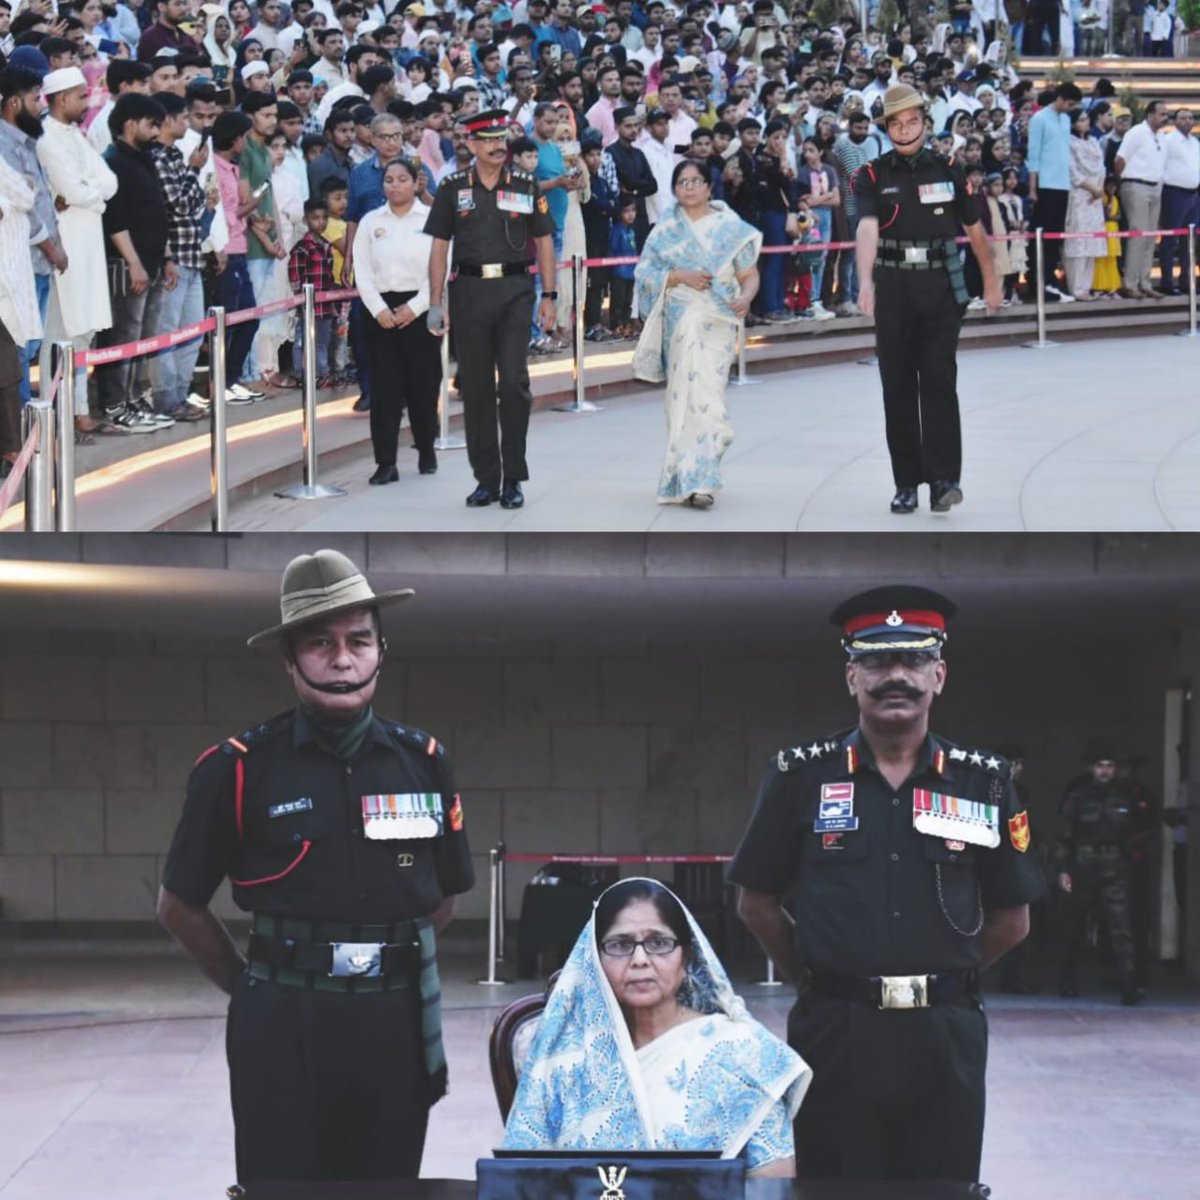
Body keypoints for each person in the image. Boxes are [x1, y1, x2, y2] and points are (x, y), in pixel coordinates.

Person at [158, 547, 475, 1184]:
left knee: (386, 1185)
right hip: (283, 1021)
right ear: (290, 659)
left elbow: (442, 897)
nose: (342, 658)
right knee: (282, 1186)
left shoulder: (424, 761)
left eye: (360, 639)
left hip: (392, 1018)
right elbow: (180, 905)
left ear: (382, 650)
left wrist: (374, 954)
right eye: (319, 642)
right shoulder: (239, 767)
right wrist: (255, 987)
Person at [729, 585, 1045, 1182]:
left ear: (939, 675)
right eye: (876, 661)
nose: (895, 676)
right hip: (835, 1029)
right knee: (834, 1186)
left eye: (914, 660)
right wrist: (822, 974)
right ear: (852, 677)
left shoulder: (987, 783)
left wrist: (945, 973)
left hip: (943, 1032)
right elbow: (758, 905)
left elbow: (1012, 919)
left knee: (941, 1187)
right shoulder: (801, 776)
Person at [503, 877, 811, 1175]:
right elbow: (520, 1178)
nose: (640, 959)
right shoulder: (564, 1058)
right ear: (595, 960)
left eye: (659, 943)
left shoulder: (744, 1052)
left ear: (687, 957)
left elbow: (771, 1186)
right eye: (620, 945)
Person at [854, 85, 1001, 517]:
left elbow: (975, 230)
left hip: (940, 287)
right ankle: (905, 483)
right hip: (893, 286)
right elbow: (866, 227)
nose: (904, 129)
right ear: (887, 128)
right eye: (895, 123)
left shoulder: (950, 168)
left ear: (924, 121)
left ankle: (944, 481)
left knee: (938, 381)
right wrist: (865, 280)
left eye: (912, 121)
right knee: (897, 385)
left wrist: (991, 281)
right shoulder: (872, 174)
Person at [424, 108, 558, 511]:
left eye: (502, 139)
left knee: (514, 384)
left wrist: (549, 296)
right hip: (467, 293)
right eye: (489, 140)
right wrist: (435, 303)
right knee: (477, 388)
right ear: (470, 144)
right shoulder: (452, 187)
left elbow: (545, 242)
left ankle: (514, 476)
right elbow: (439, 246)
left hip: (516, 290)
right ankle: (486, 478)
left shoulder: (526, 184)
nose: (499, 146)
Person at [632, 159, 760, 509]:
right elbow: (644, 274)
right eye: (682, 182)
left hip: (717, 321)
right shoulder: (664, 230)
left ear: (708, 186)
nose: (688, 187)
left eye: (695, 181)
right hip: (680, 321)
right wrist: (679, 276)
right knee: (682, 398)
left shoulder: (730, 226)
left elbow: (748, 273)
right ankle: (688, 479)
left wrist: (746, 298)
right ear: (674, 189)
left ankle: (703, 475)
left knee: (709, 400)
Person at [36, 65, 120, 441]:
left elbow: (109, 181)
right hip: (64, 246)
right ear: (62, 98)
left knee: (84, 333)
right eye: (82, 96)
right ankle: (56, 416)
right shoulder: (44, 137)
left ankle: (81, 412)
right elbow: (72, 190)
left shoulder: (76, 136)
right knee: (60, 335)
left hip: (88, 243)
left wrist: (90, 196)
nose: (87, 102)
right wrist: (92, 196)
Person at [352, 156, 441, 485]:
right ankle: (386, 462)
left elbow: (440, 270)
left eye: (402, 179)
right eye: (389, 180)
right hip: (381, 313)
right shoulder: (370, 221)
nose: (394, 186)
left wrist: (415, 307)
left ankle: (426, 448)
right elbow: (361, 269)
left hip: (421, 308)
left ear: (416, 182)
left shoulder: (433, 219)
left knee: (423, 385)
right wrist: (378, 309)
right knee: (385, 390)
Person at [1055, 741, 1149, 1005]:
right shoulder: (1078, 796)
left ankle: (1128, 986)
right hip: (1082, 867)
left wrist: (1131, 860)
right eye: (1100, 766)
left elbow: (1140, 830)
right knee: (1073, 928)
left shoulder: (1127, 796)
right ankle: (1067, 981)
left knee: (1121, 929)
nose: (1105, 771)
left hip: (1114, 868)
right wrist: (1063, 870)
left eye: (1109, 766)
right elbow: (1064, 836)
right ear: (1091, 768)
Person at [1027, 83, 1079, 303]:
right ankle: (1037, 282)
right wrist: (1032, 187)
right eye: (1068, 103)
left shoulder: (1066, 120)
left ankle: (1050, 280)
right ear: (1059, 98)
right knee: (1042, 236)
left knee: (1056, 237)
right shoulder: (1039, 119)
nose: (1070, 108)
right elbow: (1034, 154)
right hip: (1045, 185)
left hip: (1062, 184)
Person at [1114, 101, 1169, 299]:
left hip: (1155, 187)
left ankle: (1144, 281)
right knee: (1137, 234)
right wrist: (1121, 185)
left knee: (1150, 236)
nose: (1165, 117)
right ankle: (1130, 282)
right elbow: (1119, 161)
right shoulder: (1136, 133)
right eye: (1161, 114)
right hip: (1136, 184)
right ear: (1150, 114)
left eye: (1166, 114)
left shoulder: (1162, 136)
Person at [1063, 106, 1106, 302]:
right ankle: (1077, 288)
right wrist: (1091, 188)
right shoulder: (1069, 142)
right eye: (1080, 120)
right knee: (1078, 241)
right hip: (1079, 194)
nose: (1085, 123)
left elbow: (1101, 168)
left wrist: (1099, 189)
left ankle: (1087, 287)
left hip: (1095, 198)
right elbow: (1073, 172)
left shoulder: (1095, 142)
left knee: (1093, 242)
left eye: (1086, 119)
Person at [1158, 108, 1199, 297]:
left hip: (1193, 195)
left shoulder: (1195, 142)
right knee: (1169, 239)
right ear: (1175, 121)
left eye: (1190, 118)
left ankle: (1186, 281)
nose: (1187, 121)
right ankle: (1167, 281)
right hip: (1174, 193)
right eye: (1183, 118)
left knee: (1189, 240)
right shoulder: (1169, 141)